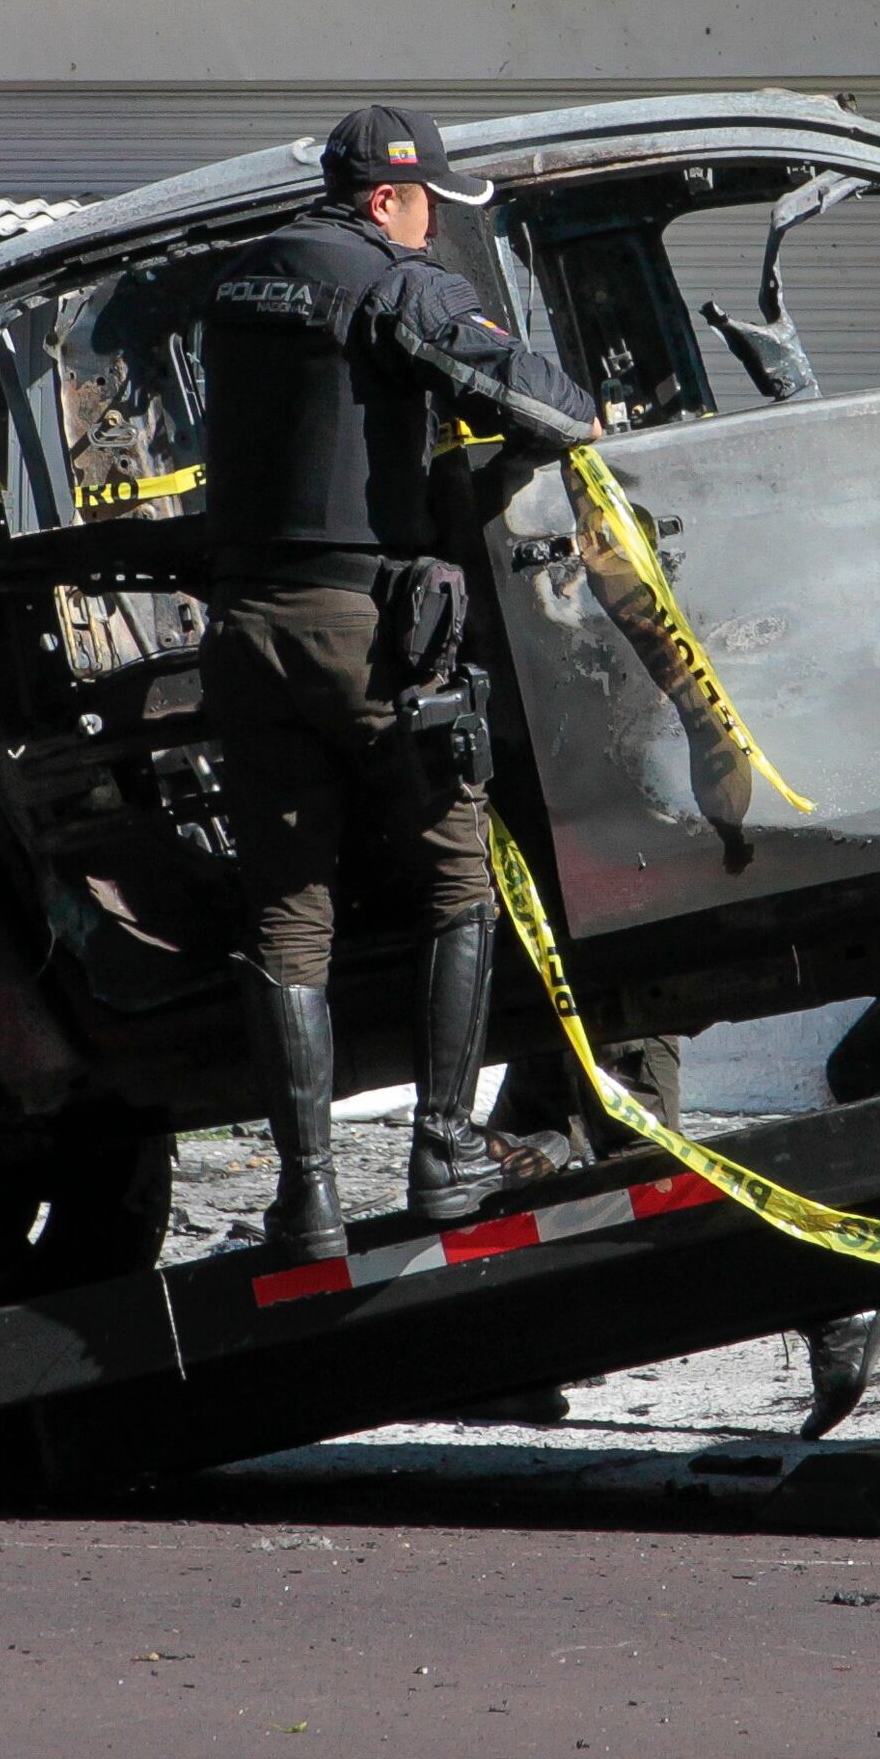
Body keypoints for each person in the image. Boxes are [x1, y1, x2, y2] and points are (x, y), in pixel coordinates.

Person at [193, 104, 600, 1262]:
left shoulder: (239, 280)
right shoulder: (388, 282)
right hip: (358, 633)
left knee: (286, 910)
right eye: (426, 210)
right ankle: (440, 1153)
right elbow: (543, 408)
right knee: (454, 882)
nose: (430, 232)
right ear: (386, 197)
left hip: (243, 631)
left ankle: (306, 1198)